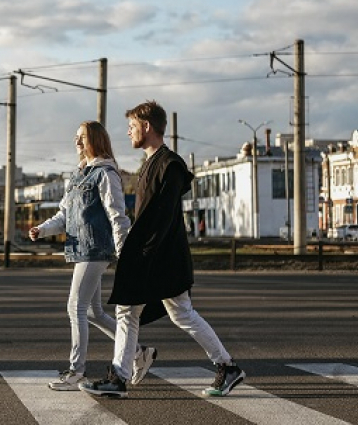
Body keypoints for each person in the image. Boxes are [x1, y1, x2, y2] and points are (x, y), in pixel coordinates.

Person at [80, 101, 245, 399]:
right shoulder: (152, 163)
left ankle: (119, 378)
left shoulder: (170, 165)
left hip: (161, 257)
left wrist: (144, 255)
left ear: (146, 126)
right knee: (170, 313)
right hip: (157, 256)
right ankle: (226, 366)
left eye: (132, 126)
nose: (128, 132)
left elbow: (163, 218)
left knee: (139, 311)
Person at [29, 120, 157, 391]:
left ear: (95, 141)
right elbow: (64, 215)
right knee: (92, 312)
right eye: (76, 137)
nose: (76, 142)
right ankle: (138, 353)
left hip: (96, 250)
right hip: (80, 250)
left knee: (74, 307)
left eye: (82, 137)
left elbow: (117, 216)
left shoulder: (106, 174)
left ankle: (76, 372)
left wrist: (125, 254)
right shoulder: (78, 175)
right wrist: (42, 229)